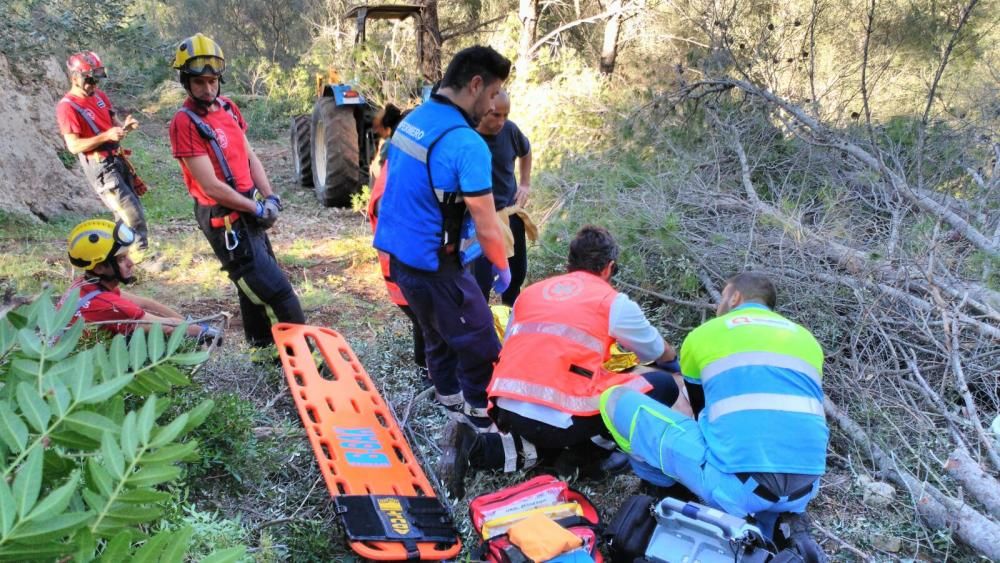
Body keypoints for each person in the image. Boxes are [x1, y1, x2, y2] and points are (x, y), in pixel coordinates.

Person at [438, 225, 686, 498]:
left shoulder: (530, 293)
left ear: (570, 263)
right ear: (609, 267)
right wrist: (673, 361)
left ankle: (476, 447)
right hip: (558, 416)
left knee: (545, 439)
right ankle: (587, 457)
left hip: (506, 406)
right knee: (662, 385)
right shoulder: (611, 301)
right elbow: (653, 350)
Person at [600, 272, 828, 560]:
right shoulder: (806, 339)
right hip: (806, 487)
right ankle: (776, 525)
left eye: (722, 297)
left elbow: (699, 409)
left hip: (738, 487)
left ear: (735, 297)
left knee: (615, 400)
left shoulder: (705, 334)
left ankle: (660, 487)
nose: (718, 306)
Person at [373, 46, 511, 431]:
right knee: (481, 343)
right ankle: (483, 425)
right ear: (476, 84)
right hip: (436, 267)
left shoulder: (416, 119)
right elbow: (486, 223)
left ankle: (449, 405)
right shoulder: (466, 142)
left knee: (437, 335)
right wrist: (502, 266)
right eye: (494, 91)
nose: (494, 103)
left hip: (401, 262)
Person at [167, 33, 305, 349]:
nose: (208, 88)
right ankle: (308, 362)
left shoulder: (228, 108)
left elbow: (249, 155)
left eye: (213, 81)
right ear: (186, 81)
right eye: (199, 82)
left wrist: (269, 197)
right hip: (224, 217)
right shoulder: (184, 123)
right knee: (278, 293)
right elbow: (211, 186)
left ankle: (263, 354)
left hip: (247, 206)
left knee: (250, 287)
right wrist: (255, 209)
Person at [60, 218, 219, 341]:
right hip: (75, 372)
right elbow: (168, 326)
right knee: (153, 338)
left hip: (69, 355)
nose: (131, 263)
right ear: (99, 267)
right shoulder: (108, 305)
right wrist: (205, 332)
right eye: (121, 259)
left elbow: (147, 304)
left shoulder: (87, 285)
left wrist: (190, 324)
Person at [57, 51, 150, 249]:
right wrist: (105, 137)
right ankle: (139, 253)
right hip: (100, 166)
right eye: (89, 80)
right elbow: (73, 146)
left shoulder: (99, 96)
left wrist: (125, 127)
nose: (94, 84)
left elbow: (113, 124)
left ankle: (123, 255)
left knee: (125, 210)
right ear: (74, 77)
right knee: (131, 212)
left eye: (96, 79)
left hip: (117, 160)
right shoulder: (67, 107)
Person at [366, 107, 426, 373]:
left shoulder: (401, 163)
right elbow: (385, 209)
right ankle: (429, 376)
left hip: (408, 267)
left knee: (425, 322)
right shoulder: (395, 169)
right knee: (427, 323)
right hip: (401, 269)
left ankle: (427, 372)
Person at [472, 90, 535, 306]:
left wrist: (525, 183)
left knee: (516, 276)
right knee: (480, 282)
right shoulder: (468, 135)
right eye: (495, 115)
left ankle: (509, 322)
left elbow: (526, 152)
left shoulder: (510, 130)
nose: (501, 121)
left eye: (505, 115)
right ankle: (482, 329)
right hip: (479, 220)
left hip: (510, 214)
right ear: (482, 110)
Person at [368, 103, 403, 181]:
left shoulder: (389, 143)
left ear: (387, 129)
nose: (376, 132)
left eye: (378, 128)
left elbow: (378, 173)